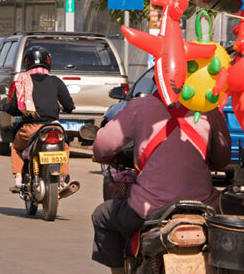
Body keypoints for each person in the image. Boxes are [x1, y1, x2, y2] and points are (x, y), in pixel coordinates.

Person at [90, 89, 231, 272]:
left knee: (101, 216)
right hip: (204, 207)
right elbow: (222, 158)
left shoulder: (141, 105)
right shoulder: (208, 108)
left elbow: (103, 146)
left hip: (149, 208)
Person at [4, 45, 79, 196]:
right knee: (63, 148)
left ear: (27, 62)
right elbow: (69, 105)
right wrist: (67, 108)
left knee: (16, 148)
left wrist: (6, 107)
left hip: (30, 128)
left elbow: (13, 107)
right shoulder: (56, 81)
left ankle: (18, 180)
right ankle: (63, 179)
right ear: (48, 62)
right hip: (53, 128)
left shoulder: (22, 81)